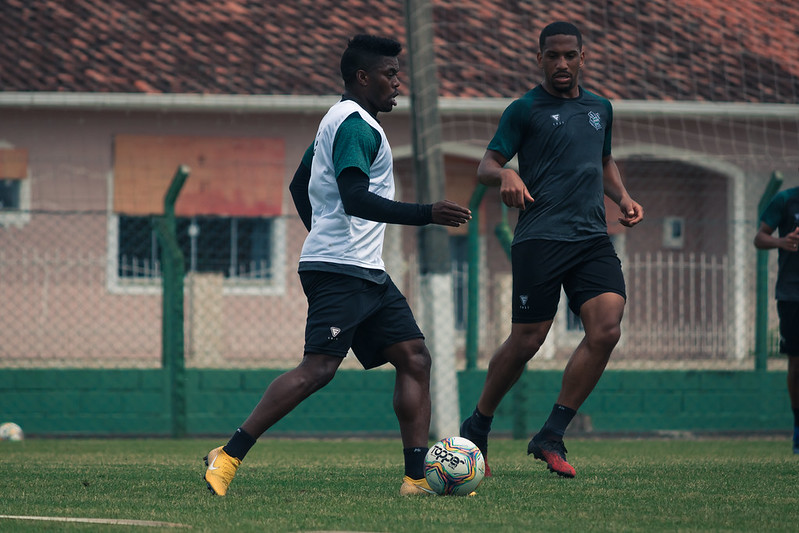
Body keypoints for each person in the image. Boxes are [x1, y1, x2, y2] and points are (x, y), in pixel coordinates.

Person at [202, 34, 471, 497]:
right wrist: (426, 213)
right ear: (363, 77)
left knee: (414, 358)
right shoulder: (355, 126)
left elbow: (299, 182)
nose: (397, 83)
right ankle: (227, 456)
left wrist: (323, 235)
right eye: (389, 75)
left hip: (361, 269)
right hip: (344, 269)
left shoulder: (340, 119)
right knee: (318, 370)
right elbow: (354, 198)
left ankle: (414, 480)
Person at [459, 21, 643, 478]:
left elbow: (603, 160)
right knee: (529, 339)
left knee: (606, 329)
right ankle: (478, 424)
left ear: (583, 57)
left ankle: (552, 434)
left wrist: (621, 197)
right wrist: (505, 175)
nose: (561, 63)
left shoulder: (601, 108)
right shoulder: (524, 110)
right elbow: (488, 163)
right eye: (552, 55)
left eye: (569, 55)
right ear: (538, 58)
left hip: (591, 237)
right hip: (540, 237)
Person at [753, 183, 799, 454]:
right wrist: (782, 242)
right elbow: (760, 238)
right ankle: (797, 427)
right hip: (792, 294)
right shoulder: (785, 200)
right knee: (796, 364)